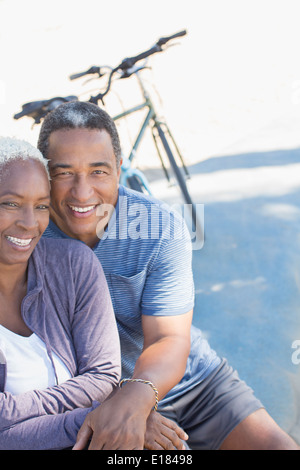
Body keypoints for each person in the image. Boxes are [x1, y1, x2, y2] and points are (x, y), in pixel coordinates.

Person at [38, 101, 299, 450]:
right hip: (93, 399)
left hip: (194, 384)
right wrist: (119, 408)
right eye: (64, 172)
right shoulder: (26, 238)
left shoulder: (158, 226)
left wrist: (136, 399)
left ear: (119, 169)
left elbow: (168, 338)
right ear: (43, 174)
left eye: (98, 171)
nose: (82, 192)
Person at [0, 137, 121, 450]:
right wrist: (95, 421)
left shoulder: (72, 264)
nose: (29, 223)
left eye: (41, 206)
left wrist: (114, 421)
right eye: (10, 204)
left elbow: (104, 376)